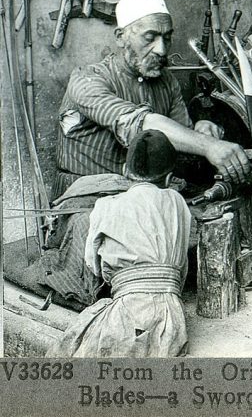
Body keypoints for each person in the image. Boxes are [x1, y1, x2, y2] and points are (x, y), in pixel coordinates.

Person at [54, 0, 251, 198]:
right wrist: (210, 146)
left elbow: (182, 139)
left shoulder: (166, 81)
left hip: (143, 195)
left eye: (167, 38)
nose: (162, 50)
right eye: (150, 38)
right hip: (87, 195)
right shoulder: (87, 80)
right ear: (121, 37)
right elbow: (139, 125)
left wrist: (200, 131)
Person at [47, 129, 192, 357]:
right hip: (173, 315)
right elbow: (181, 265)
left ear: (125, 172)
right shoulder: (178, 202)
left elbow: (92, 265)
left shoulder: (107, 205)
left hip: (128, 310)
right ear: (168, 178)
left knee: (72, 354)